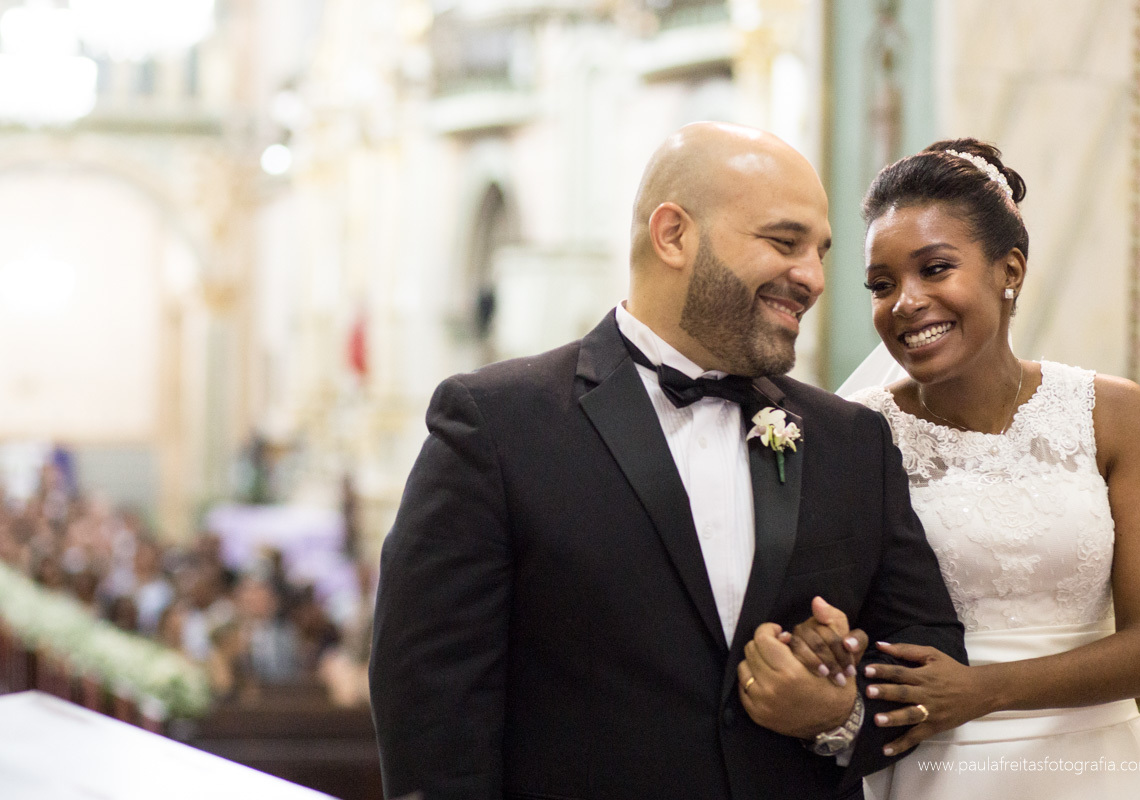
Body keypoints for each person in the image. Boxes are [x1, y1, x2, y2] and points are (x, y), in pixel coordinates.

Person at [368, 121, 966, 800]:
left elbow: (934, 662)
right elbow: (432, 713)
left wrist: (837, 714)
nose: (813, 278)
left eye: (821, 252)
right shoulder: (496, 428)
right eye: (784, 241)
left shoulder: (850, 441)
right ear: (673, 234)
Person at [843, 139, 1140, 798]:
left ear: (1011, 270)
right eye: (882, 285)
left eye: (935, 269)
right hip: (940, 772)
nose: (905, 302)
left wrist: (983, 690)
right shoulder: (860, 433)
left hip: (1102, 768)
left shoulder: (1110, 412)